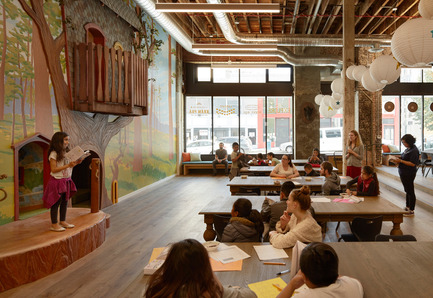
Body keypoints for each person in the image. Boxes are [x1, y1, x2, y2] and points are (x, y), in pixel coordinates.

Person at [144, 239, 257, 298]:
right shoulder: (211, 292)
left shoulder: (156, 290)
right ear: (205, 267)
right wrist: (220, 285)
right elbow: (251, 295)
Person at [277, 242, 363, 298]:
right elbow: (355, 281)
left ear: (304, 276)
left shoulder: (304, 296)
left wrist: (291, 285)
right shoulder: (352, 285)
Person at [42, 132, 81, 232]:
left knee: (65, 201)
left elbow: (68, 167)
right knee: (56, 202)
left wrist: (76, 163)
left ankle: (62, 221)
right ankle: (54, 224)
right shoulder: (54, 153)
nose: (68, 142)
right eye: (66, 140)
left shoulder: (66, 153)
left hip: (66, 180)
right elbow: (54, 169)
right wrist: (68, 165)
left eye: (68, 139)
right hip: (57, 181)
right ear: (59, 141)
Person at [391, 134, 419, 216]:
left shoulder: (414, 150)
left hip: (409, 173)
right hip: (403, 172)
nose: (403, 144)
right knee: (407, 190)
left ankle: (411, 209)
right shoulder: (408, 149)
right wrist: (398, 159)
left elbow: (413, 164)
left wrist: (401, 161)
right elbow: (404, 157)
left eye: (404, 142)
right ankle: (407, 206)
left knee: (410, 190)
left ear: (409, 142)